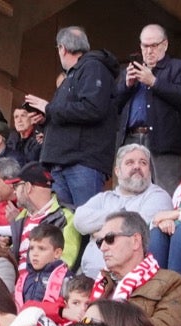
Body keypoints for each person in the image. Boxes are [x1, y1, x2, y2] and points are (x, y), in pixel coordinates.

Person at [23, 28, 121, 210]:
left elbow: (93, 109)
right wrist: (46, 118)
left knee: (86, 224)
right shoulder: (73, 75)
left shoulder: (93, 67)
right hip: (62, 162)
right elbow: (68, 115)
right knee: (64, 228)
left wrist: (48, 108)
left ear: (62, 48)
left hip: (82, 162)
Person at [91, 211, 181, 326]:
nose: (103, 248)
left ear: (136, 241)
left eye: (110, 239)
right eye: (100, 242)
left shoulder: (172, 282)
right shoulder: (102, 284)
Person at [72, 146, 174, 279]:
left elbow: (137, 225)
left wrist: (99, 228)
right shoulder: (105, 197)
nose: (137, 166)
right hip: (89, 278)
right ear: (117, 171)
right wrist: (119, 217)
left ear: (149, 171)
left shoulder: (158, 196)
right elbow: (79, 220)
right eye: (130, 162)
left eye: (143, 163)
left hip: (130, 282)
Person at [116, 25, 181, 192]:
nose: (149, 51)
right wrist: (126, 86)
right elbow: (114, 105)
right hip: (131, 139)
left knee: (166, 190)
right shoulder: (129, 71)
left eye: (154, 46)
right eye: (145, 46)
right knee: (129, 192)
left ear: (164, 45)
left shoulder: (179, 68)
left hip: (163, 141)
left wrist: (154, 82)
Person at [5, 164, 79, 269]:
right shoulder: (21, 218)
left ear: (28, 187)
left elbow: (64, 264)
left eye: (16, 186)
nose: (14, 191)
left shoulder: (66, 217)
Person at [16, 222, 70, 311]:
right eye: (32, 248)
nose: (34, 253)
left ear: (57, 253)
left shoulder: (66, 278)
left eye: (41, 248)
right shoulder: (24, 277)